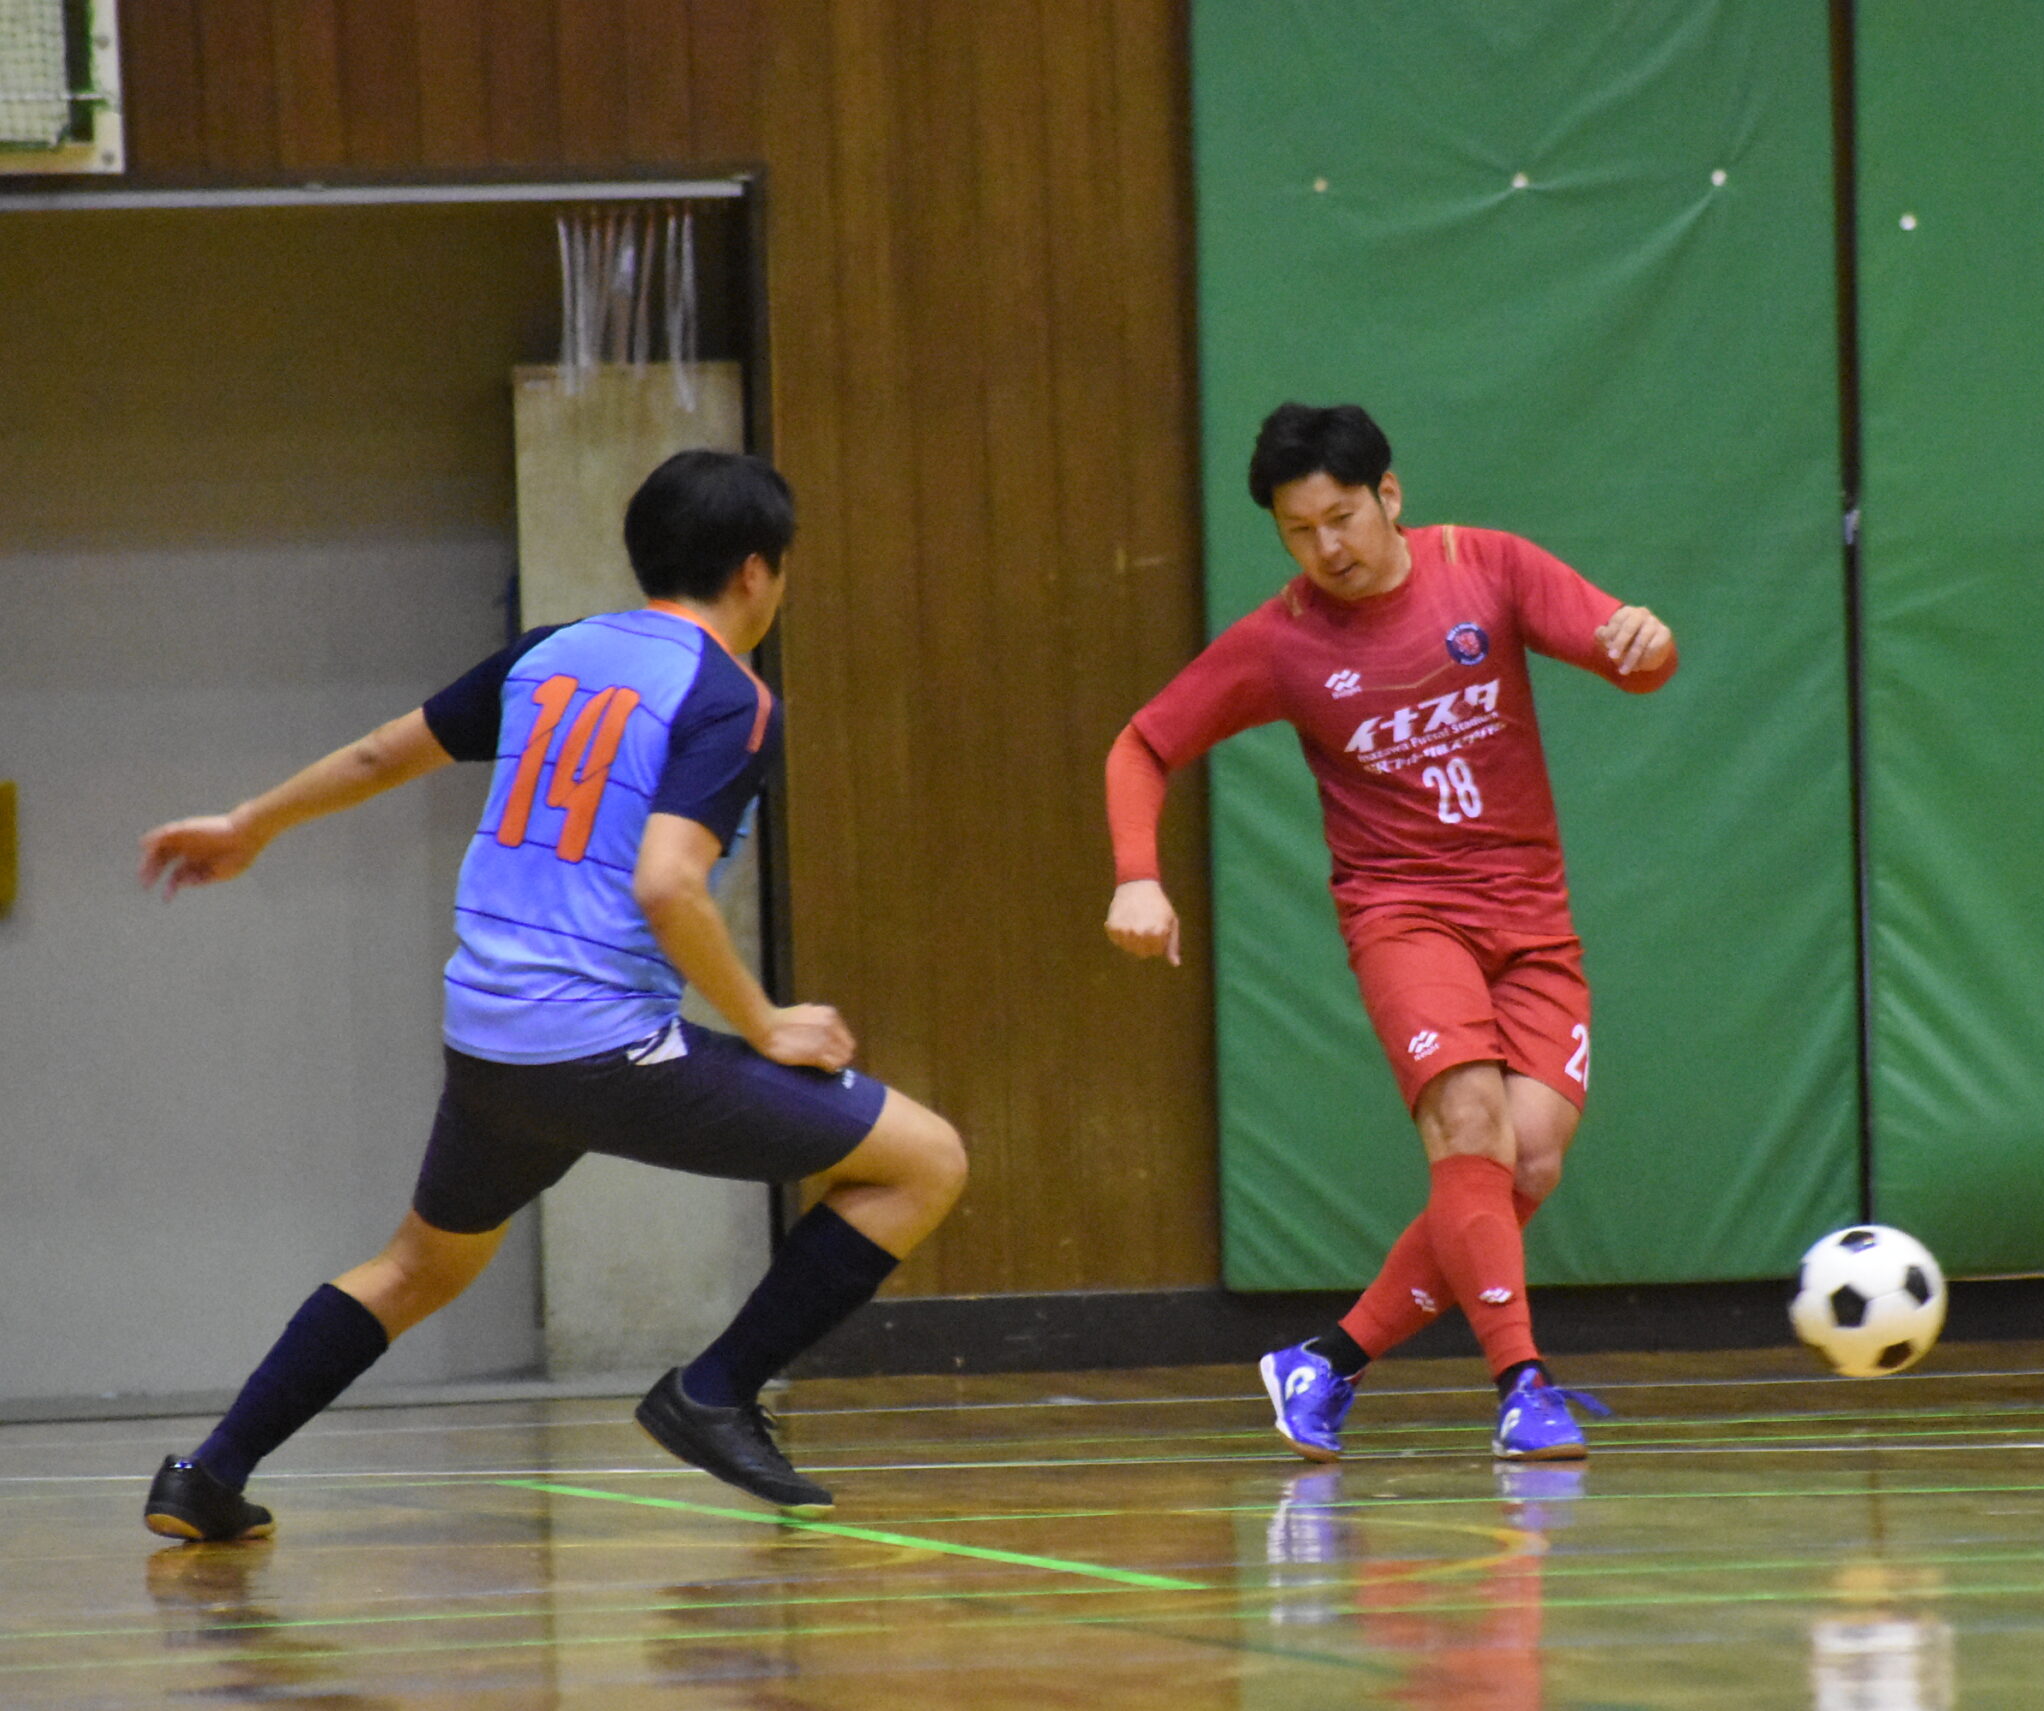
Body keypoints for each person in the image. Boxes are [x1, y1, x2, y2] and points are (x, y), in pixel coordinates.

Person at [137, 450, 967, 1542]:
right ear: (757, 571)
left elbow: (385, 753)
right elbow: (668, 884)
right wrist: (766, 1023)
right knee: (924, 1161)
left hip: (490, 1043)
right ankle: (714, 1392)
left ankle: (209, 1473)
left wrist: (251, 824)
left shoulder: (552, 652)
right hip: (597, 1048)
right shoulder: (731, 697)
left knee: (420, 1265)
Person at [1102, 403, 1676, 1461]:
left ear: (1390, 495)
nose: (1327, 548)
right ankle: (1522, 1386)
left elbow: (1631, 656)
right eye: (1298, 531)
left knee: (1528, 1161)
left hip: (1530, 916)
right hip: (1403, 912)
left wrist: (1645, 642)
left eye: (1341, 518)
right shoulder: (1281, 642)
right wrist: (1139, 877)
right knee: (1470, 1125)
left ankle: (1326, 1359)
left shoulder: (1487, 568)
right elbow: (1142, 744)